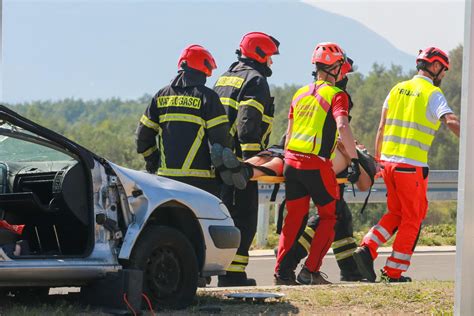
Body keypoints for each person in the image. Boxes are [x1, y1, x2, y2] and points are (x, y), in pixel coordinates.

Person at [353, 47, 460, 283]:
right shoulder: (432, 93)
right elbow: (450, 120)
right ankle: (393, 272)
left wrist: (378, 163)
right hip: (411, 168)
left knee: (396, 213)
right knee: (413, 218)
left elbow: (381, 127)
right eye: (443, 70)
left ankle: (367, 247)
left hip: (388, 165)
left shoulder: (396, 89)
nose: (443, 75)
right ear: (434, 67)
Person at [274, 42, 361, 285]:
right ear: (335, 68)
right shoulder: (337, 95)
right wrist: (354, 159)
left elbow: (288, 134)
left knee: (293, 219)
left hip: (292, 162)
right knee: (329, 216)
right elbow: (342, 125)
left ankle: (281, 272)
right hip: (316, 165)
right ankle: (310, 271)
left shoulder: (299, 93)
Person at [213, 32, 280, 287]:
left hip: (216, 161)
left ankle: (217, 269)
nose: (271, 63)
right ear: (260, 54)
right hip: (238, 165)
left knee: (223, 216)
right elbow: (248, 122)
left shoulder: (225, 77)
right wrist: (250, 164)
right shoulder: (256, 80)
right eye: (270, 57)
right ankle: (233, 275)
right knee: (244, 218)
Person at [135, 44, 231, 197]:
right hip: (201, 183)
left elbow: (142, 137)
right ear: (203, 69)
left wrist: (153, 160)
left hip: (166, 181)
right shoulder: (208, 97)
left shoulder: (161, 96)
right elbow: (221, 141)